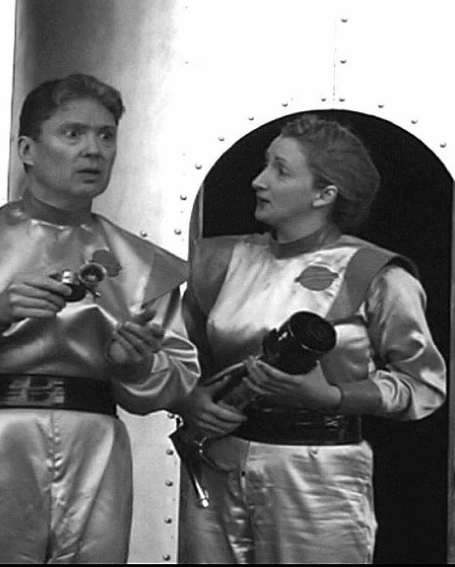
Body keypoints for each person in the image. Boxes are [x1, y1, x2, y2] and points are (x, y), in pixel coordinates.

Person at [0, 73, 200, 564]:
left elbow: (176, 378)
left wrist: (132, 363)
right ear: (27, 149)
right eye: (73, 133)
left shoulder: (141, 265)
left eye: (106, 135)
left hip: (94, 445)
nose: (94, 150)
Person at [173, 113, 447, 564]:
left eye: (280, 170)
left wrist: (333, 397)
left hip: (318, 474)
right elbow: (178, 356)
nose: (259, 180)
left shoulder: (374, 273)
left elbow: (424, 384)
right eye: (265, 164)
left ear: (324, 194)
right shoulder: (220, 260)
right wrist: (189, 399)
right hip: (218, 464)